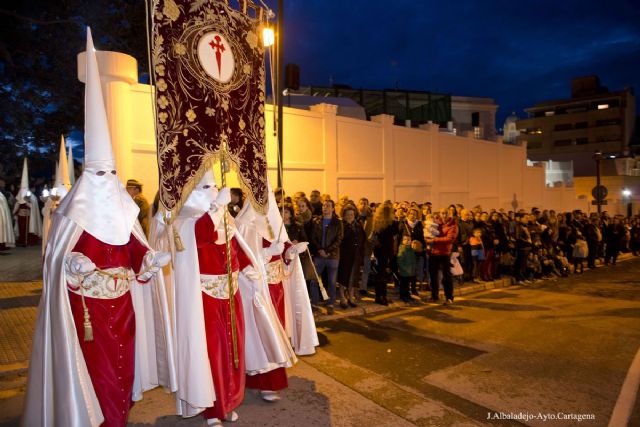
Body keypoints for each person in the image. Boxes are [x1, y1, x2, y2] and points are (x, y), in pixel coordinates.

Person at [23, 28, 176, 427]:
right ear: (90, 174)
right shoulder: (71, 213)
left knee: (122, 369)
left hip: (122, 304)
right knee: (94, 370)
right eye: (101, 172)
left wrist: (149, 260)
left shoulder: (125, 211)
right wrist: (70, 266)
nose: (108, 178)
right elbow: (55, 260)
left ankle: (117, 417)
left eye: (113, 172)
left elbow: (133, 249)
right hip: (85, 310)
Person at [308, 199, 343, 314]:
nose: (325, 207)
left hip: (332, 256)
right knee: (314, 280)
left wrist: (327, 250)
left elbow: (339, 239)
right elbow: (312, 237)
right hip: (319, 255)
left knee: (332, 282)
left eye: (328, 206)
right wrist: (320, 249)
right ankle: (314, 302)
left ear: (333, 208)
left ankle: (330, 303)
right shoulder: (316, 221)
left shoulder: (338, 222)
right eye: (324, 206)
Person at [425, 212, 459, 305]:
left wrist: (433, 240)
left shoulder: (453, 225)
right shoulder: (437, 223)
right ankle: (434, 296)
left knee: (446, 276)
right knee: (433, 276)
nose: (444, 215)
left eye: (446, 214)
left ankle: (449, 297)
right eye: (442, 214)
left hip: (444, 253)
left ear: (449, 215)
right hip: (433, 253)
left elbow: (449, 239)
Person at [337, 204, 365, 307]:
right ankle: (342, 297)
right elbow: (341, 239)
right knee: (343, 276)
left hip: (356, 255)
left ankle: (351, 296)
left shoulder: (358, 225)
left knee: (353, 277)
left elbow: (362, 240)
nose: (350, 216)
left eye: (352, 214)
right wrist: (348, 226)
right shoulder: (341, 226)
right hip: (344, 255)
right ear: (343, 215)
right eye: (348, 214)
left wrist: (361, 254)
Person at [371, 204, 398, 306]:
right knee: (383, 275)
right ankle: (382, 297)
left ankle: (380, 296)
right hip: (386, 251)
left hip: (379, 251)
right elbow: (395, 235)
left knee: (380, 274)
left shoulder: (377, 222)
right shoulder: (392, 223)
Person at [13, 158, 42, 246]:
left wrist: (28, 203)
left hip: (29, 216)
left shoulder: (32, 196)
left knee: (29, 227)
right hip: (21, 216)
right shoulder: (20, 194)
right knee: (21, 228)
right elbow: (17, 204)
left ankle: (29, 240)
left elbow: (33, 206)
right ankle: (22, 240)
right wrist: (15, 212)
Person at [396, 234, 417, 302]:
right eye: (405, 239)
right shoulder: (402, 249)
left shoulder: (411, 249)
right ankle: (403, 296)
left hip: (410, 271)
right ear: (402, 241)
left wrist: (414, 268)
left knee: (407, 285)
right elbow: (399, 260)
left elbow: (413, 260)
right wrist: (404, 268)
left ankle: (407, 295)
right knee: (403, 284)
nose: (407, 241)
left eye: (408, 240)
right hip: (404, 271)